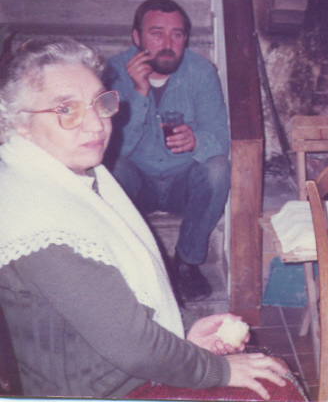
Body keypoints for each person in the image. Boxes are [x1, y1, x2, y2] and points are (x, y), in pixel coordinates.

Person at [0, 36, 287, 399]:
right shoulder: (36, 213)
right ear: (19, 122)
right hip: (96, 391)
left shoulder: (73, 176)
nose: (96, 125)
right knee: (273, 390)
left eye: (100, 104)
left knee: (271, 378)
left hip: (120, 371)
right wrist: (219, 370)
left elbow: (121, 302)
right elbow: (133, 346)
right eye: (66, 110)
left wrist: (186, 329)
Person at [104, 0, 231, 302]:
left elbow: (221, 138)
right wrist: (139, 93)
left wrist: (197, 141)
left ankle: (187, 261)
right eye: (157, 33)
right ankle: (127, 262)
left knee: (217, 168)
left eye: (177, 35)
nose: (167, 43)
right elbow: (113, 147)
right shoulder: (112, 72)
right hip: (137, 186)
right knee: (113, 168)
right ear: (137, 37)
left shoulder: (200, 72)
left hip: (182, 186)